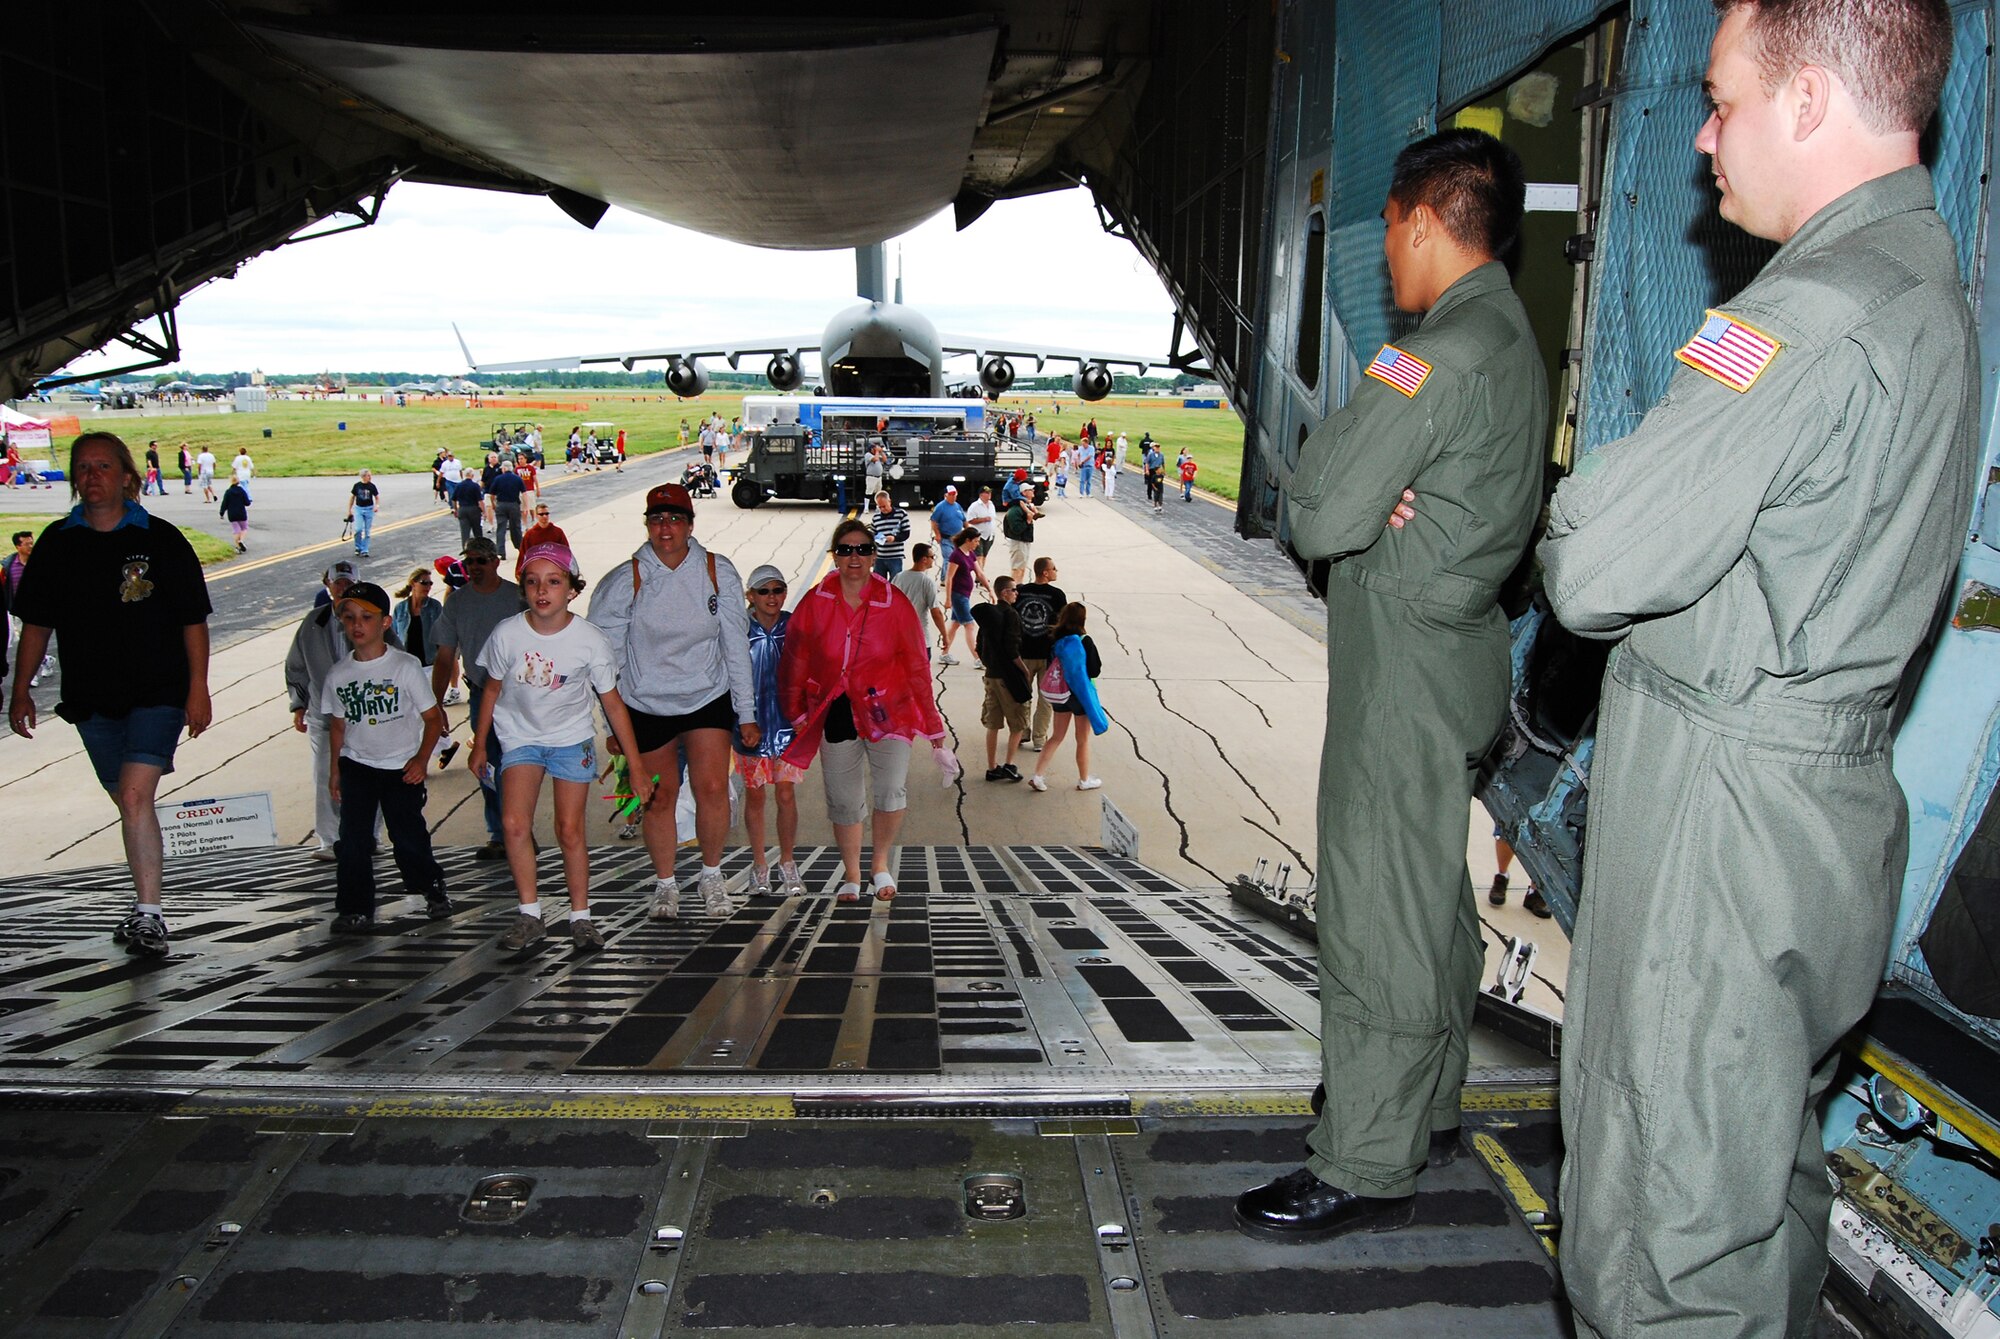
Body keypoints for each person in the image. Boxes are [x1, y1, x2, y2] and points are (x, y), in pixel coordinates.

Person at [1534, 4, 1973, 1332]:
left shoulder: (1804, 316)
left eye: (1723, 101)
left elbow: (1594, 561)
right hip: (1822, 809)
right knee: (1753, 1185)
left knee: (1659, 1242)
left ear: (1808, 105)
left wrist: (1590, 492)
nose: (1705, 138)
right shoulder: (1922, 278)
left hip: (1718, 818)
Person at [1232, 129, 1546, 1246]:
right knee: (1431, 893)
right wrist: (1386, 488)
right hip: (1459, 650)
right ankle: (1429, 1102)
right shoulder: (1508, 336)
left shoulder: (1433, 354)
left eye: (1388, 232)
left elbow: (1315, 512)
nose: (1383, 257)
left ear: (1420, 218)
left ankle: (1364, 1157)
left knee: (1374, 908)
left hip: (1402, 672)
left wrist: (1348, 476)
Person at [7, 432, 212, 957]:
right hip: (91, 696)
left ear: (126, 476)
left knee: (135, 794)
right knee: (127, 801)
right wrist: (22, 690)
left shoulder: (162, 540)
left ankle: (150, 915)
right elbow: (37, 624)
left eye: (102, 466)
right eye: (82, 467)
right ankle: (144, 904)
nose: (91, 476)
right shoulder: (57, 543)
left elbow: (193, 620)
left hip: (157, 691)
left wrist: (198, 690)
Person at [589, 482, 758, 920]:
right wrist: (613, 726)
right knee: (658, 799)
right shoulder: (625, 580)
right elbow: (604, 660)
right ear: (647, 525)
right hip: (646, 703)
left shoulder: (717, 571)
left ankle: (711, 874)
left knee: (713, 787)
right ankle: (666, 884)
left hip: (707, 695)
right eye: (657, 519)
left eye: (675, 519)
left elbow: (735, 646)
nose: (666, 528)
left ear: (690, 524)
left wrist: (746, 712)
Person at [473, 543, 651, 953]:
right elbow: (493, 689)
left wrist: (635, 764)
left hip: (570, 738)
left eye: (554, 582)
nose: (542, 591)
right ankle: (530, 914)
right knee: (515, 824)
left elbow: (612, 702)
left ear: (572, 590)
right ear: (523, 589)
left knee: (569, 829)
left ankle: (581, 917)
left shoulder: (590, 640)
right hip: (520, 736)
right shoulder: (507, 635)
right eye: (533, 582)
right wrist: (480, 744)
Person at [779, 517, 952, 902]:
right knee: (843, 798)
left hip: (889, 712)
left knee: (891, 790)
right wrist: (796, 715)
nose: (853, 557)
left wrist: (933, 724)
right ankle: (853, 874)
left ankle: (880, 865)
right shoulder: (815, 603)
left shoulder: (896, 604)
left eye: (861, 549)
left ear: (874, 555)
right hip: (835, 712)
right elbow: (794, 662)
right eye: (845, 550)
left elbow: (916, 667)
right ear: (835, 557)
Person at [320, 580, 451, 933]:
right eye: (349, 618)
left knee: (407, 838)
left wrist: (421, 759)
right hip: (357, 764)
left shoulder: (405, 667)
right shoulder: (339, 675)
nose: (357, 625)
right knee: (353, 841)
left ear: (386, 623)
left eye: (366, 617)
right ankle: (354, 907)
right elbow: (336, 726)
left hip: (400, 766)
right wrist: (335, 772)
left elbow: (432, 718)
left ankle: (430, 884)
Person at [431, 538, 525, 858]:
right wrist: (436, 702)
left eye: (480, 561)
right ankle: (498, 832)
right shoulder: (457, 603)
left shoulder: (516, 598)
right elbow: (446, 656)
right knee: (486, 762)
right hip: (480, 695)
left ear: (495, 563)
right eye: (469, 562)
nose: (474, 567)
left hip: (519, 696)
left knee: (519, 765)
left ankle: (519, 829)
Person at [734, 563, 806, 900]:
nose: (771, 597)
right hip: (750, 727)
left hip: (787, 726)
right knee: (756, 795)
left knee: (786, 794)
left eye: (777, 590)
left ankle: (788, 862)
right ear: (750, 596)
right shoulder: (738, 628)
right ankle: (759, 863)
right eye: (764, 591)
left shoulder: (793, 626)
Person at [287, 559, 366, 858]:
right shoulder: (312, 623)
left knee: (369, 774)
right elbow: (295, 666)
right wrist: (299, 704)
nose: (343, 588)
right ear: (328, 587)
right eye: (338, 583)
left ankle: (369, 835)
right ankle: (330, 840)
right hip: (323, 713)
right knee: (324, 776)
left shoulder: (370, 617)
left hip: (364, 712)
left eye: (348, 582)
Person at [1026, 602, 1107, 792]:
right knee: (1082, 739)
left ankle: (1038, 775)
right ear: (1082, 619)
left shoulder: (1055, 639)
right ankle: (1084, 779)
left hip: (1061, 693)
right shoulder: (1085, 640)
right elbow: (1094, 670)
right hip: (1080, 695)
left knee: (1056, 736)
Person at [392, 566, 459, 770]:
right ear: (413, 584)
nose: (429, 587)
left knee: (427, 710)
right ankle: (442, 747)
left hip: (430, 666)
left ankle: (433, 750)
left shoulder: (435, 607)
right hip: (408, 668)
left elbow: (443, 639)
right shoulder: (400, 609)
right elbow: (394, 636)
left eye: (430, 583)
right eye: (424, 582)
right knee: (411, 713)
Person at [972, 576, 1029, 782]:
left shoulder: (988, 616)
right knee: (1017, 723)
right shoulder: (1011, 615)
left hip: (991, 675)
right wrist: (1024, 670)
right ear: (1004, 592)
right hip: (1007, 676)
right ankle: (1009, 764)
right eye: (1014, 590)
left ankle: (992, 767)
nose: (1017, 594)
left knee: (993, 724)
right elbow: (1012, 648)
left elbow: (979, 646)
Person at [1014, 557, 1066, 752]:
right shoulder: (1057, 595)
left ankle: (1022, 731)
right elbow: (1063, 624)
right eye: (1054, 568)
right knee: (1047, 699)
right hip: (1047, 656)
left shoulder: (1020, 591)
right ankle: (1039, 738)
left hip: (1023, 654)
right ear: (1045, 572)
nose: (1056, 571)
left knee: (1022, 696)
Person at [938, 527, 989, 665]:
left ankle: (944, 653)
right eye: (976, 541)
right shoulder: (956, 555)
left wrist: (990, 590)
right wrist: (948, 599)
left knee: (955, 624)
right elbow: (949, 578)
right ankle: (978, 658)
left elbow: (980, 573)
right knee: (970, 625)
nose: (977, 544)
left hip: (965, 594)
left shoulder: (970, 554)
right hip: (958, 595)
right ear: (968, 540)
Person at [488, 459, 527, 560]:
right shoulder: (517, 479)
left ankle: (501, 552)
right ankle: (521, 549)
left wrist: (493, 503)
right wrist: (525, 506)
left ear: (504, 468)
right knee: (516, 528)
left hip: (501, 505)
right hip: (514, 505)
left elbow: (492, 494)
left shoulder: (498, 479)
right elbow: (524, 493)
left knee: (501, 529)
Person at [869, 491, 910, 578]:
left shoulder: (901, 514)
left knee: (895, 584)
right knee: (878, 585)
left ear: (889, 501)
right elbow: (871, 534)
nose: (883, 509)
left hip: (895, 557)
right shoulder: (876, 518)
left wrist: (894, 538)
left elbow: (906, 534)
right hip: (880, 558)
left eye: (884, 506)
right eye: (880, 507)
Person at [1002, 492, 1039, 586]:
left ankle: (1019, 585)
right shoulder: (1014, 511)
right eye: (1030, 490)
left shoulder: (1024, 508)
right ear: (1024, 493)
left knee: (1022, 568)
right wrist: (1028, 521)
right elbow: (1016, 529)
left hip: (1024, 541)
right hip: (1018, 542)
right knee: (1017, 568)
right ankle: (1014, 587)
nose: (1033, 493)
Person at [346, 468, 381, 558]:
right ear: (363, 477)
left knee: (367, 531)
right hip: (359, 509)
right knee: (358, 529)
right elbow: (352, 497)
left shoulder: (372, 486)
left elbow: (377, 497)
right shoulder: (357, 486)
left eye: (370, 475)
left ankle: (365, 550)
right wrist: (349, 510)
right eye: (368, 475)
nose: (370, 477)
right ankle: (358, 547)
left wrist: (376, 506)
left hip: (369, 509)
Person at [964, 485, 999, 571]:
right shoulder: (975, 506)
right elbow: (970, 520)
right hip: (978, 535)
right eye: (986, 493)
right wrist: (983, 519)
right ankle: (980, 576)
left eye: (989, 492)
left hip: (989, 535)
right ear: (981, 495)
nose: (989, 494)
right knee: (978, 556)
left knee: (984, 556)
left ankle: (980, 573)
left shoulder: (991, 504)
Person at [451, 471, 484, 547]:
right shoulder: (475, 486)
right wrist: (483, 511)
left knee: (465, 532)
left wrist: (456, 509)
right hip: (474, 509)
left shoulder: (459, 486)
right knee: (477, 531)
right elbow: (480, 501)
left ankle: (465, 550)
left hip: (462, 509)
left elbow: (453, 499)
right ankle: (479, 548)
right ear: (472, 475)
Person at [929, 485, 966, 550]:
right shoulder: (940, 507)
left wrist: (969, 532)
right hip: (946, 539)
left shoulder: (958, 506)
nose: (953, 496)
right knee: (948, 558)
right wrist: (937, 534)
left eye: (954, 494)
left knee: (958, 558)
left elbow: (964, 520)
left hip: (958, 539)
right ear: (946, 495)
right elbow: (933, 521)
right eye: (951, 494)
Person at [219, 477, 251, 552]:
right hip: (241, 513)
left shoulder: (228, 492)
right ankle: (241, 541)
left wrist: (222, 513)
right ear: (238, 482)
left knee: (236, 530)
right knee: (244, 528)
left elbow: (224, 503)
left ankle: (237, 547)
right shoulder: (242, 491)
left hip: (232, 514)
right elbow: (247, 503)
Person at [1143, 439, 1166, 513]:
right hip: (1152, 469)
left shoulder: (1161, 455)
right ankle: (1150, 494)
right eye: (1156, 447)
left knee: (1159, 482)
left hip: (1158, 470)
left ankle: (1158, 494)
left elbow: (1163, 462)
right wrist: (1146, 470)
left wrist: (1164, 470)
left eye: (1158, 447)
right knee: (1151, 482)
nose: (1157, 449)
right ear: (1154, 448)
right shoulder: (1151, 455)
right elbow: (1147, 463)